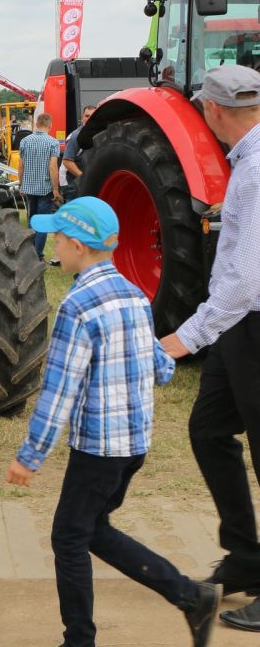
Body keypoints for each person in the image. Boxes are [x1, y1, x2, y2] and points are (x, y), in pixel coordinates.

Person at [6, 197, 221, 647]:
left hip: (98, 450)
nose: (54, 247)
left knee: (68, 538)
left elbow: (59, 391)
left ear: (79, 246)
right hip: (134, 446)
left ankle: (80, 640)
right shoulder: (135, 296)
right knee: (92, 530)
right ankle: (189, 595)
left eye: (59, 239)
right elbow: (160, 369)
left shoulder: (77, 307)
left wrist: (30, 456)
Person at [159, 64, 260, 631]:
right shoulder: (246, 163)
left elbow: (248, 279)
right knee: (209, 429)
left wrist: (187, 336)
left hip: (250, 319)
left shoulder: (254, 171)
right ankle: (247, 554)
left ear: (214, 111)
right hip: (240, 325)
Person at [18, 113, 61, 259]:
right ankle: (37, 254)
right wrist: (55, 189)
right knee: (42, 222)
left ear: (36, 124)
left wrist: (21, 184)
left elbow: (20, 166)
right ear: (50, 126)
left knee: (32, 219)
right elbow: (53, 167)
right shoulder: (53, 142)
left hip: (29, 187)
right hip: (45, 188)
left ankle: (30, 252)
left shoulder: (24, 141)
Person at [61, 105, 96, 202]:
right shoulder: (76, 136)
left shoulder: (96, 134)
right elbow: (67, 161)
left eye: (92, 116)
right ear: (82, 117)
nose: (89, 119)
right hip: (73, 185)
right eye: (87, 116)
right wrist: (83, 178)